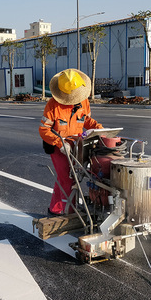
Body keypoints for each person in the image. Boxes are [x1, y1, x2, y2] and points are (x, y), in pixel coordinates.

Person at [39, 68, 103, 215]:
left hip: (78, 146)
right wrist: (61, 143)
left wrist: (99, 129)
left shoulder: (84, 101)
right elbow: (44, 130)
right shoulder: (53, 105)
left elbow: (86, 120)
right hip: (59, 147)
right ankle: (71, 213)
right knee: (68, 180)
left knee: (64, 179)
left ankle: (54, 210)